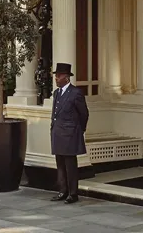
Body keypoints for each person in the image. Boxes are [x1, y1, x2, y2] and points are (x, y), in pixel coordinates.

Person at [50, 62, 88, 204]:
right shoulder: (56, 93)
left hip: (70, 133)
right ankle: (62, 190)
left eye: (58, 76)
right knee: (60, 164)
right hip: (58, 133)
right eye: (56, 76)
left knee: (70, 165)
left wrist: (80, 130)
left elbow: (84, 114)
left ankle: (73, 193)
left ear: (66, 78)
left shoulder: (76, 93)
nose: (56, 78)